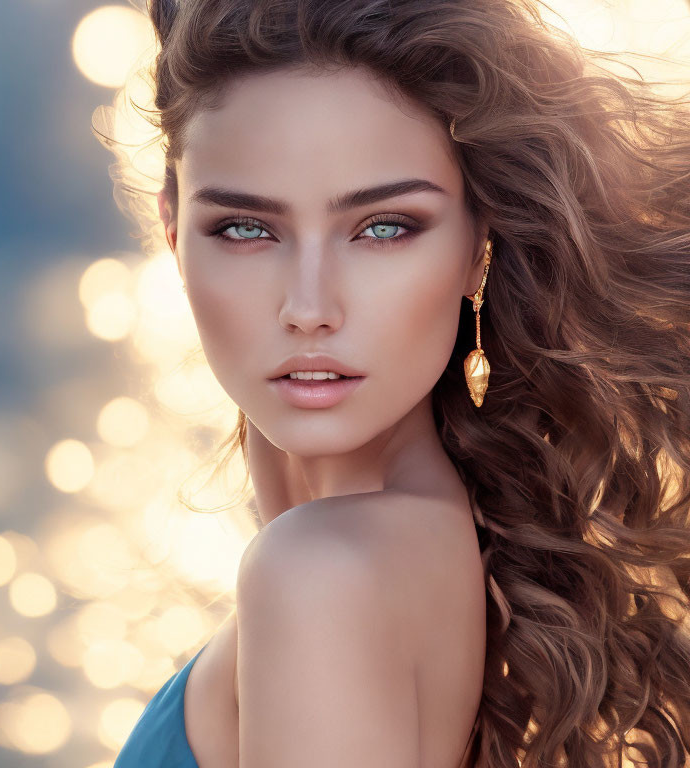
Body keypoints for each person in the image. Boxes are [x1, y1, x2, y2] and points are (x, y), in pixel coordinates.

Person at [96, 0, 690, 765]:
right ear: (174, 233)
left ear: (480, 243)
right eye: (246, 229)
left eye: (384, 228)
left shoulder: (321, 574)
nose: (309, 309)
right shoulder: (413, 528)